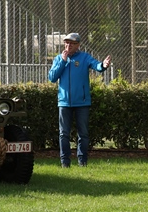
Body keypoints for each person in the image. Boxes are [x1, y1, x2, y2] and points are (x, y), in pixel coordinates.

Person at [47, 32, 112, 168]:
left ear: (78, 45)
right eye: (67, 43)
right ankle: (65, 162)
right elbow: (52, 77)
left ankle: (82, 161)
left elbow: (96, 65)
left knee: (83, 133)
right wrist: (63, 61)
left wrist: (103, 65)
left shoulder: (84, 57)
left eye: (72, 43)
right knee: (63, 134)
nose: (69, 45)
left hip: (82, 102)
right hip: (64, 102)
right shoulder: (59, 58)